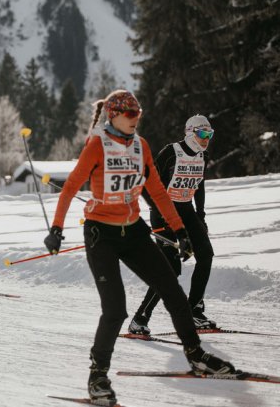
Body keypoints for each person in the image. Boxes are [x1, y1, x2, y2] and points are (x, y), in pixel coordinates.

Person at [42, 90, 237, 405]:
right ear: (114, 115)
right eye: (129, 114)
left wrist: (180, 230)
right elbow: (70, 188)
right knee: (115, 308)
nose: (135, 119)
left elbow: (158, 191)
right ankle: (98, 376)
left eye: (138, 114)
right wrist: (56, 228)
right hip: (101, 235)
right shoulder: (97, 146)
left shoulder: (140, 146)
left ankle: (195, 354)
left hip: (133, 230)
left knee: (171, 288)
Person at [130, 115, 217, 334]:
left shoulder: (202, 155)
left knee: (205, 255)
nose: (207, 139)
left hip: (187, 210)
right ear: (190, 132)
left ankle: (194, 310)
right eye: (202, 134)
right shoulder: (171, 153)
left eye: (210, 134)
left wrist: (201, 217)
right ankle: (140, 319)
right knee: (170, 269)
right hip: (163, 213)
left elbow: (200, 186)